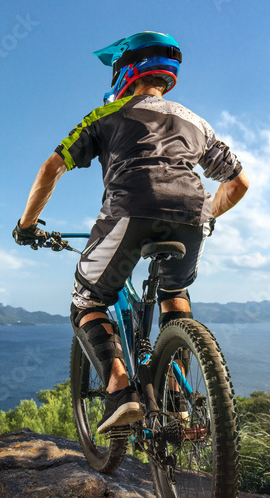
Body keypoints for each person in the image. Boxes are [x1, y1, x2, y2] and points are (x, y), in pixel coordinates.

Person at [13, 31, 249, 434]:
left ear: (125, 71)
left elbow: (50, 168)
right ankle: (178, 404)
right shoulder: (197, 122)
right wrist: (204, 214)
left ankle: (121, 392)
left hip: (129, 212)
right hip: (193, 214)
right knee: (174, 296)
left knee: (87, 300)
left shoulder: (105, 116)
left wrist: (27, 225)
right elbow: (239, 183)